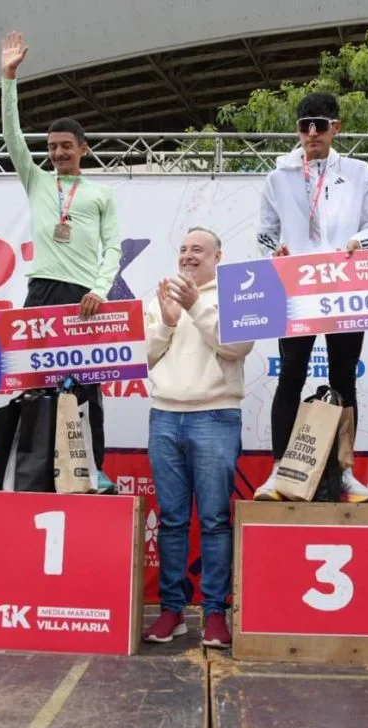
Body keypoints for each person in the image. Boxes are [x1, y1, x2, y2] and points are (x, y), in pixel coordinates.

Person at [1, 31, 121, 488]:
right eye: (51, 146)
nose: (57, 153)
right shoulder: (36, 181)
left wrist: (100, 289)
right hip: (41, 290)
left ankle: (94, 469)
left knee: (86, 386)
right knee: (36, 382)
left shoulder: (100, 194)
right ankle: (31, 468)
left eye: (65, 146)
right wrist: (9, 79)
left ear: (82, 148)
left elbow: (113, 247)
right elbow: (12, 137)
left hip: (84, 296)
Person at [254, 92, 368, 503]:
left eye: (321, 125)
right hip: (297, 287)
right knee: (290, 375)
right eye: (304, 126)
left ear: (335, 128)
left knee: (344, 378)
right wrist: (275, 252)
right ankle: (279, 469)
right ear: (297, 131)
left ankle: (344, 472)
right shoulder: (278, 177)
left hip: (344, 287)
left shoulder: (360, 173)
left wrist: (358, 242)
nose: (312, 133)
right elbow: (265, 233)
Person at [142, 227, 253, 649]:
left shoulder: (236, 293)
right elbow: (142, 356)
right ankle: (171, 610)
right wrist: (168, 322)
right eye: (184, 248)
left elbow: (237, 346)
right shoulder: (158, 298)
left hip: (216, 416)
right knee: (171, 520)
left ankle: (214, 613)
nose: (188, 255)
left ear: (217, 257)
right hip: (165, 416)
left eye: (198, 250)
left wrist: (195, 307)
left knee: (213, 521)